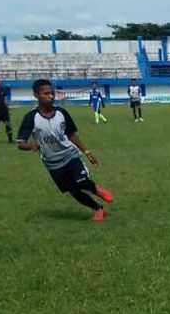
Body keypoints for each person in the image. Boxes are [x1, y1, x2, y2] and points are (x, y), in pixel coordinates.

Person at [17, 79, 114, 222]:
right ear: (36, 95)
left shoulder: (62, 113)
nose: (50, 96)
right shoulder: (31, 117)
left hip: (70, 155)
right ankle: (98, 209)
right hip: (52, 162)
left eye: (52, 93)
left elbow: (72, 135)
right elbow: (20, 143)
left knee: (82, 182)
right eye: (46, 93)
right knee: (73, 190)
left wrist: (87, 152)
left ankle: (96, 189)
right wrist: (31, 145)